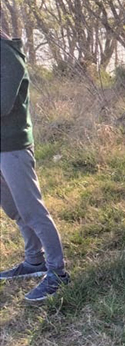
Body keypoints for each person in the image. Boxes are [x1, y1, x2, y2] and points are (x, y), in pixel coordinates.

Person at [0, 26, 70, 302]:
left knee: (32, 211)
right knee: (14, 209)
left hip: (14, 147)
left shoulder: (7, 55)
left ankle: (58, 272)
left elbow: (2, 104)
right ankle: (34, 261)